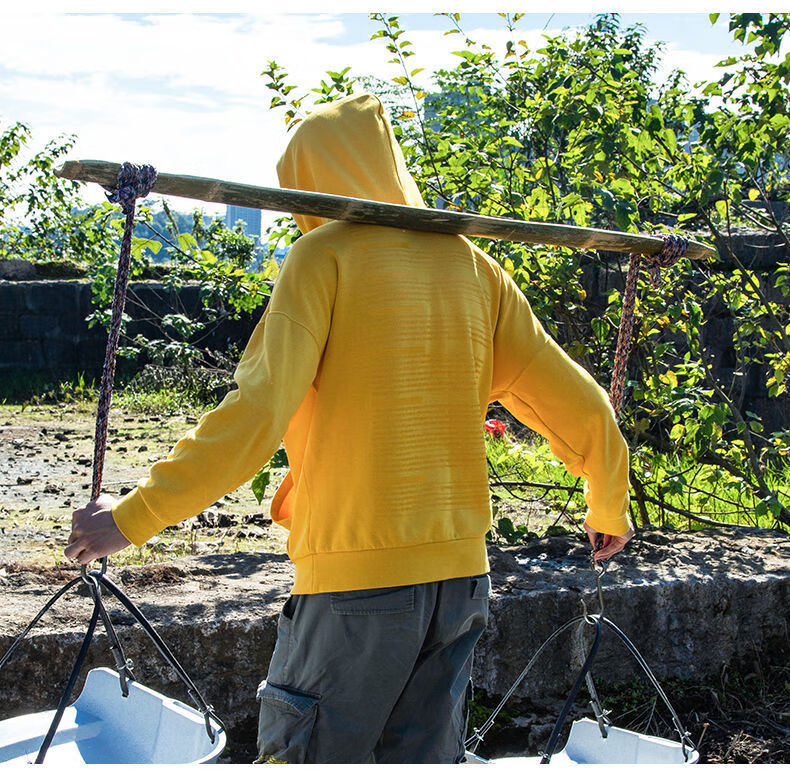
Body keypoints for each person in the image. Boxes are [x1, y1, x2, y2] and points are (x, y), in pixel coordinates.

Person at [65, 93, 634, 763]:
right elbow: (576, 400)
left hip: (356, 586)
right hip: (460, 584)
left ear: (306, 185)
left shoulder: (323, 258)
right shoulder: (476, 269)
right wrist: (607, 500)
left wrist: (131, 517)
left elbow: (255, 414)